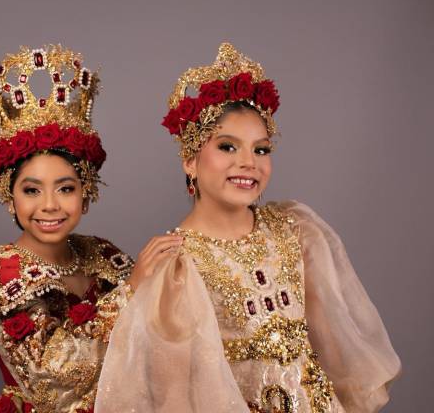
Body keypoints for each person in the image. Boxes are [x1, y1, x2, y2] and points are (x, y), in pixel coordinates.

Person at [96, 43, 401, 412]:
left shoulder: (295, 229)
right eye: (227, 147)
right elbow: (174, 396)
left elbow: (333, 347)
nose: (248, 163)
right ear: (191, 161)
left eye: (260, 150)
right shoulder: (176, 264)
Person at [0, 45, 163, 413]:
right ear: (10, 197)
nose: (49, 204)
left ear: (86, 195)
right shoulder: (1, 272)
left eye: (65, 188)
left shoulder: (102, 254)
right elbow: (53, 378)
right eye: (32, 190)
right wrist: (131, 291)